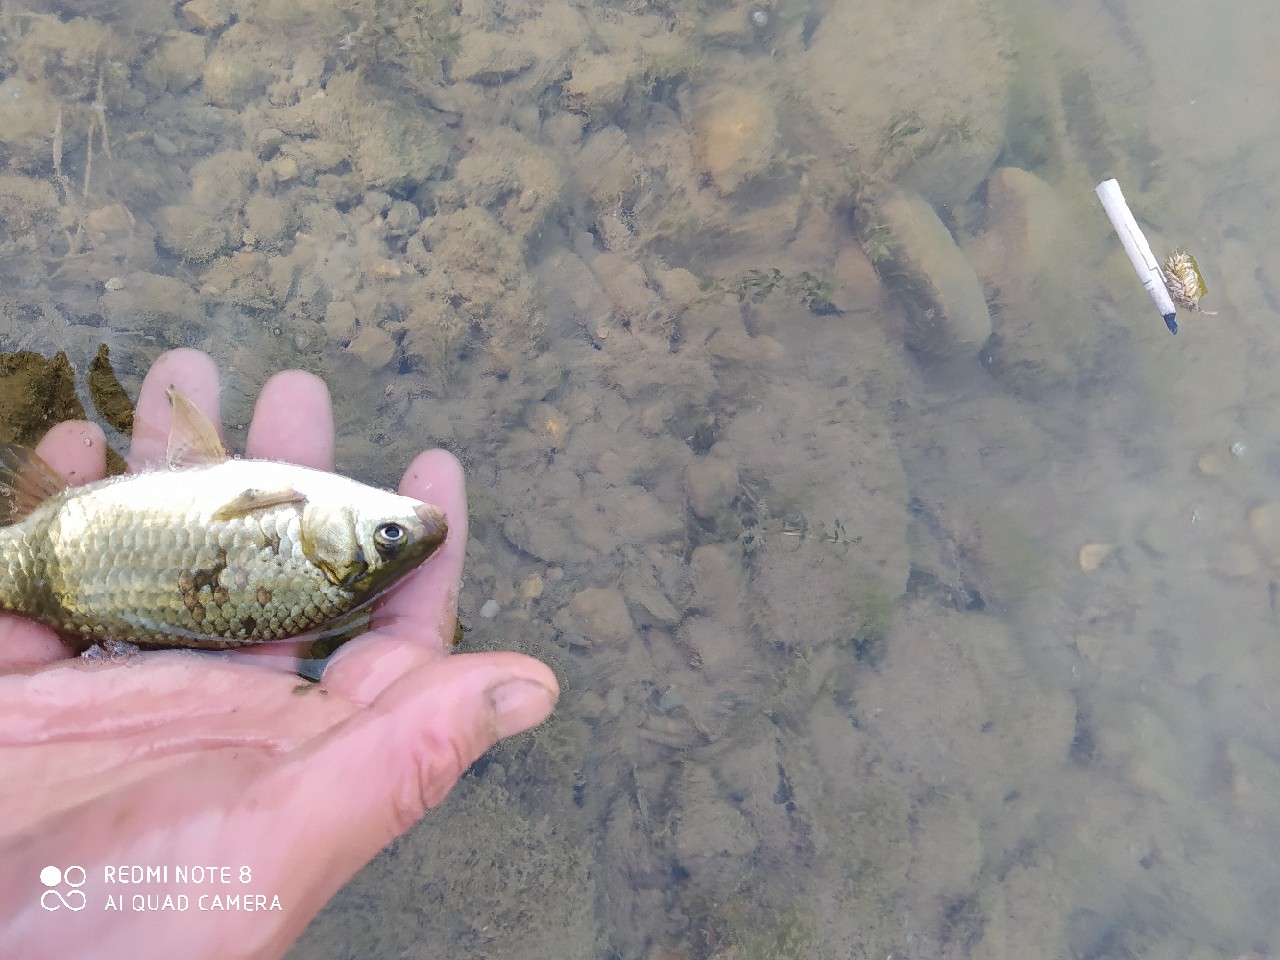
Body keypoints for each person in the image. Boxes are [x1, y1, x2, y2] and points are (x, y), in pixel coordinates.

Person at [0, 349, 559, 958]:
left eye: (387, 532)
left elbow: (199, 467)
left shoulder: (282, 512)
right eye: (388, 536)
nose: (406, 524)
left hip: (65, 551)